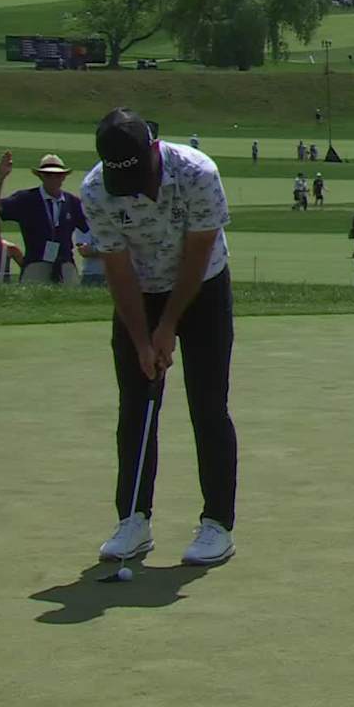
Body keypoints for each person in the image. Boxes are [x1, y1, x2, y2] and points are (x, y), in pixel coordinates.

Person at [81, 107, 239, 567]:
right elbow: (117, 270)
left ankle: (217, 524)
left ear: (154, 149)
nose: (137, 191)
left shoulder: (197, 172)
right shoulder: (96, 189)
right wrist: (142, 340)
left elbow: (198, 253)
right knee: (135, 405)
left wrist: (168, 326)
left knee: (208, 405)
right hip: (141, 293)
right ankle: (133, 519)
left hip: (203, 286)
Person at [0, 151, 87, 285]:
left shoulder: (72, 202)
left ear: (64, 177)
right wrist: (0, 177)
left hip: (65, 265)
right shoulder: (26, 199)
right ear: (40, 176)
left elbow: (89, 227)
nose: (53, 178)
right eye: (48, 175)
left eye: (57, 175)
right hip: (35, 264)